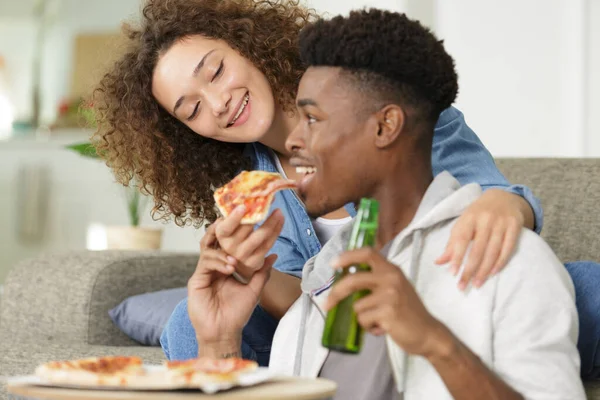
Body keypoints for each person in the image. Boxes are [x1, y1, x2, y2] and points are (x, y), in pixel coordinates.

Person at [93, 0, 600, 377]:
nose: (217, 102)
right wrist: (251, 273)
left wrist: (506, 204)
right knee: (186, 324)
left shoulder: (384, 100)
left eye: (217, 71)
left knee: (587, 288)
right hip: (340, 329)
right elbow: (306, 308)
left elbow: (493, 196)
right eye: (193, 109)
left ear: (246, 45)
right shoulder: (249, 190)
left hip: (452, 292)